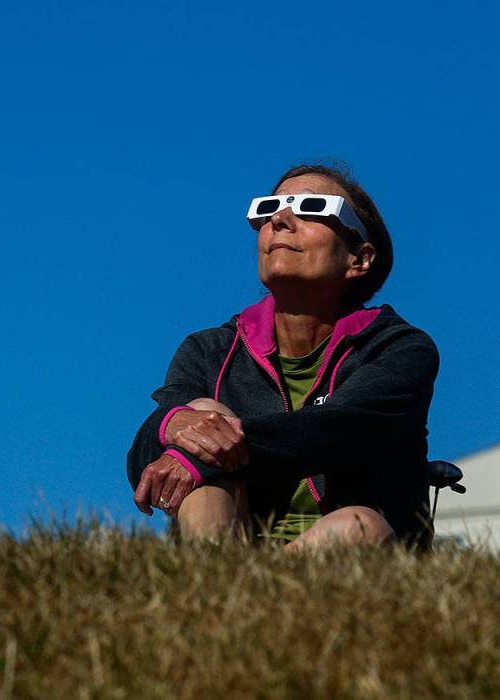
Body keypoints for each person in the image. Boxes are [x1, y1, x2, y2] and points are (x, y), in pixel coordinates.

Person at [127, 164, 439, 550]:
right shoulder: (208, 350)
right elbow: (145, 452)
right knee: (200, 411)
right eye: (269, 208)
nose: (280, 219)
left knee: (357, 525)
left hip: (354, 559)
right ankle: (214, 582)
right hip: (238, 553)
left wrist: (199, 455)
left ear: (359, 258)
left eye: (311, 208)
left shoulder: (400, 348)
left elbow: (336, 433)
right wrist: (174, 424)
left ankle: (237, 598)